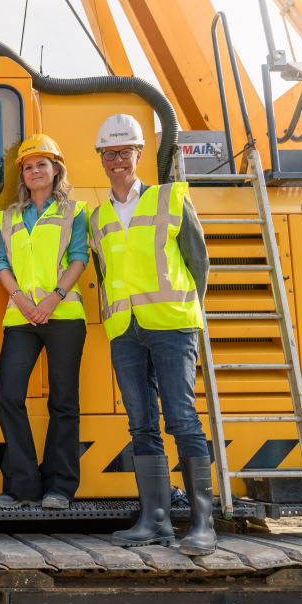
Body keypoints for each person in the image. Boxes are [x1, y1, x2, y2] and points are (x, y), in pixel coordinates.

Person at [88, 114, 216, 555]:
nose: (118, 160)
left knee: (181, 418)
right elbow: (105, 273)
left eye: (125, 152)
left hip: (172, 325)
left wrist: (187, 310)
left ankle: (203, 523)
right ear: (101, 159)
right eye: (110, 153)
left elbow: (198, 262)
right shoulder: (98, 216)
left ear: (139, 155)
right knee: (141, 423)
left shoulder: (170, 198)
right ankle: (156, 521)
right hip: (125, 329)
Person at [0, 135, 89, 511]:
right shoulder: (10, 216)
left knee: (63, 401)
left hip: (63, 315)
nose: (34, 171)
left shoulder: (74, 211)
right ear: (23, 175)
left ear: (56, 169)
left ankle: (60, 487)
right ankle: (22, 485)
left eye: (41, 164)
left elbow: (79, 256)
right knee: (7, 394)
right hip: (21, 316)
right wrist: (20, 298)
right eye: (28, 167)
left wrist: (53, 298)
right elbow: (1, 263)